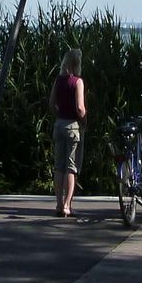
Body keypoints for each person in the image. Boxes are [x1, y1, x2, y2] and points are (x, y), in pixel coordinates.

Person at [48, 48, 87, 217]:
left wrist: (59, 115)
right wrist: (84, 118)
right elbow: (80, 107)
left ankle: (58, 204)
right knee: (71, 167)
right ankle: (66, 205)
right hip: (73, 126)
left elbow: (51, 103)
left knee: (59, 166)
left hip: (59, 124)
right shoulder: (77, 81)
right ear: (77, 63)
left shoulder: (58, 80)